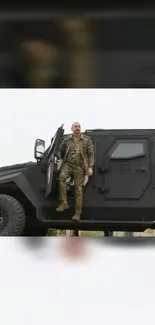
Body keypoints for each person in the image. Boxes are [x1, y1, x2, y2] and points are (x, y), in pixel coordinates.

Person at [56, 122, 94, 221]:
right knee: (62, 177)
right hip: (68, 164)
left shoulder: (86, 140)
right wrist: (59, 157)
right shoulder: (67, 139)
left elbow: (91, 154)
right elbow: (60, 150)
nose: (77, 128)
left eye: (79, 126)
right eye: (75, 127)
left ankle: (77, 214)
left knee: (78, 190)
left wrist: (90, 167)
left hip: (80, 167)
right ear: (72, 129)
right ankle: (64, 202)